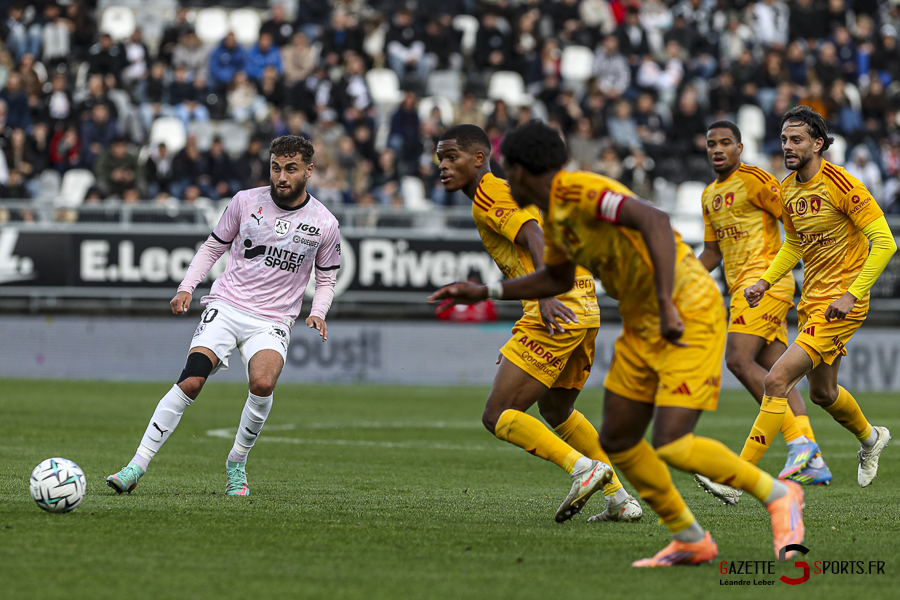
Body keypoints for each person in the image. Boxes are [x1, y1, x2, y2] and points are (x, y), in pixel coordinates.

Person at [430, 120, 805, 567]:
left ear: (526, 170)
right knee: (620, 438)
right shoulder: (557, 215)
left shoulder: (581, 192)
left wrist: (667, 302)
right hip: (638, 313)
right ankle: (690, 539)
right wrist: (487, 292)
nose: (505, 183)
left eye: (509, 171)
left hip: (686, 304)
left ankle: (780, 495)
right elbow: (557, 275)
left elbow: (654, 219)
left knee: (672, 442)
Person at [107, 136, 341, 496]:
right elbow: (213, 247)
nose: (281, 176)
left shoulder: (324, 223)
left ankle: (236, 462)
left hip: (273, 320)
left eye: (290, 169)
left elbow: (326, 277)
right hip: (227, 305)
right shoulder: (245, 202)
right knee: (191, 381)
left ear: (308, 170)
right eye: (276, 167)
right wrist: (187, 286)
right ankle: (136, 465)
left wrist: (319, 311)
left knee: (263, 384)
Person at [434, 125, 641, 523]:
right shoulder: (506, 191)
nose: (442, 166)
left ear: (479, 159)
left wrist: (545, 296)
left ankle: (584, 469)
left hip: (557, 305)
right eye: (440, 159)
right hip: (583, 304)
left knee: (497, 414)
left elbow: (533, 234)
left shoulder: (489, 192)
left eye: (451, 157)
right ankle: (619, 499)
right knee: (557, 408)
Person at [744, 106, 895, 489]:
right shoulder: (788, 188)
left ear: (819, 143)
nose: (787, 146)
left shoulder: (844, 186)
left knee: (776, 380)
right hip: (814, 302)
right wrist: (765, 281)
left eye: (796, 140)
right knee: (823, 393)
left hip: (842, 304)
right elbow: (793, 244)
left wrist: (851, 294)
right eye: (783, 140)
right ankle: (871, 438)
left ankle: (737, 475)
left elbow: (885, 243)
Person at [694, 121, 831, 507]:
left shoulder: (756, 181)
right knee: (777, 374)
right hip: (741, 286)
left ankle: (797, 446)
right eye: (711, 144)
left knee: (738, 360)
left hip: (764, 283)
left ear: (740, 147)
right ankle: (811, 457)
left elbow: (794, 219)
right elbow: (712, 253)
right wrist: (681, 278)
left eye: (725, 143)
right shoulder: (708, 195)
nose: (717, 149)